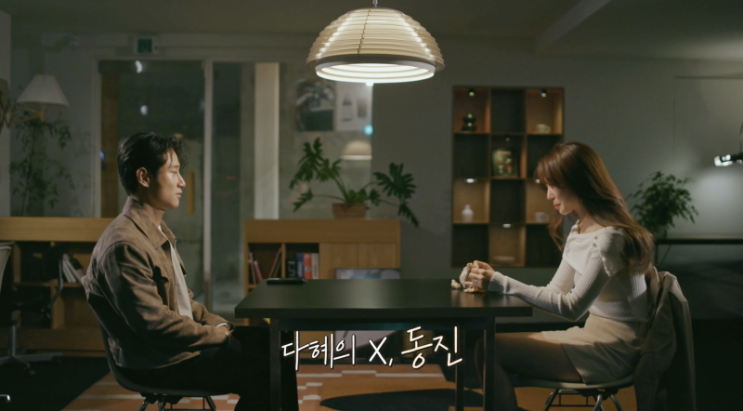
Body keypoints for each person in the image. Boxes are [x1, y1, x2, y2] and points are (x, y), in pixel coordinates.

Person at [81, 132, 297, 411]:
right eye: (173, 172)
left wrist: (219, 324)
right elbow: (155, 326)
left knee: (280, 345)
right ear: (144, 177)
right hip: (158, 361)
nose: (182, 182)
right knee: (265, 372)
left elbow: (184, 303)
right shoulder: (125, 244)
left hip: (178, 348)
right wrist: (217, 336)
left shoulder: (156, 230)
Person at [462, 141, 654, 411]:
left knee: (489, 350)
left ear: (578, 182)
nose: (549, 195)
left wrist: (500, 282)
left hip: (613, 351)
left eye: (553, 185)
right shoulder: (579, 229)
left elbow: (572, 308)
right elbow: (556, 291)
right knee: (488, 347)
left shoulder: (609, 238)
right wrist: (490, 281)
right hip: (591, 336)